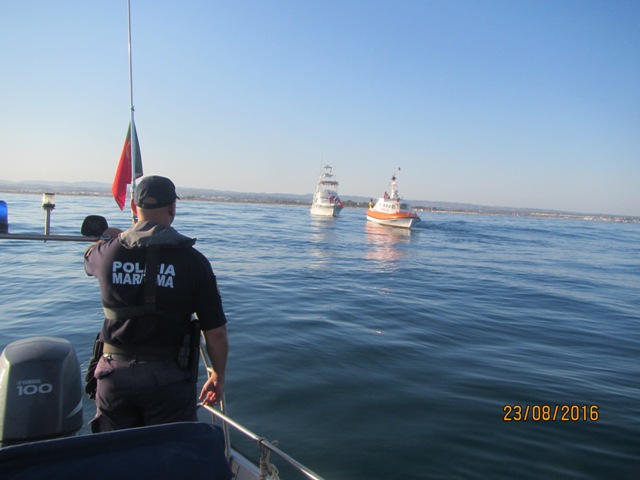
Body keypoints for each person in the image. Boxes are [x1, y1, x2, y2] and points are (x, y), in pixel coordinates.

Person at [84, 175, 228, 432]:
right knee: (169, 450)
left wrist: (112, 237)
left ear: (133, 207)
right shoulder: (194, 262)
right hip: (168, 381)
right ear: (172, 208)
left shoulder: (106, 254)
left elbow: (89, 255)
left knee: (115, 451)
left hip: (113, 375)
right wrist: (218, 375)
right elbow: (215, 332)